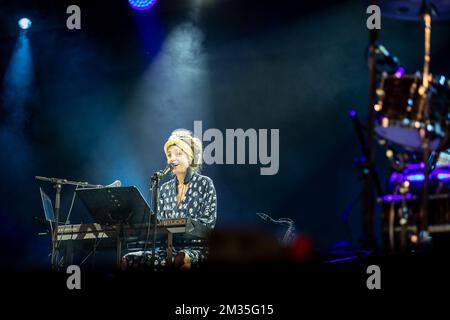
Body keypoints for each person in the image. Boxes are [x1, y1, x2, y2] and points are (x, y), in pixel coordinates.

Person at [122, 129, 217, 270]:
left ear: (190, 158)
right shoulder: (164, 189)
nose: (172, 158)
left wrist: (186, 227)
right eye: (169, 154)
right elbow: (159, 226)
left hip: (197, 248)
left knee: (181, 259)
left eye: (178, 154)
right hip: (168, 249)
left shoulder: (204, 183)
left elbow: (209, 224)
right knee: (128, 260)